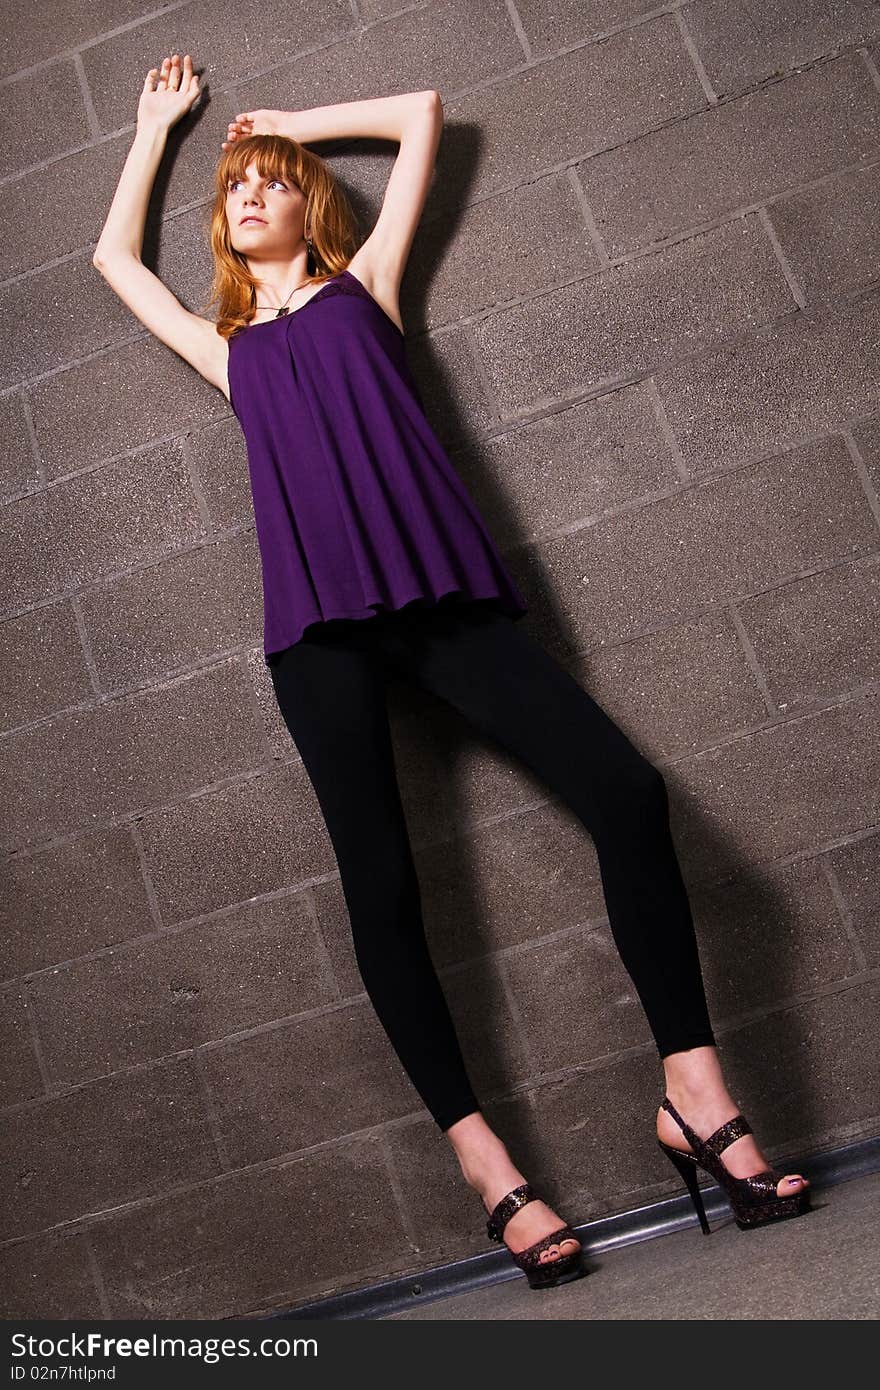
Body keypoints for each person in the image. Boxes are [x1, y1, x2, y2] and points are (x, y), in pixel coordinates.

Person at [92, 54, 812, 1292]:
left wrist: (286, 126)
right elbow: (113, 263)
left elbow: (422, 115)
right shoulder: (226, 351)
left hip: (440, 605)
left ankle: (692, 1090)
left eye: (272, 183)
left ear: (307, 205)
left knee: (628, 794)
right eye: (239, 188)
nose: (252, 194)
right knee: (384, 894)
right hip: (318, 636)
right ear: (220, 226)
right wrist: (159, 133)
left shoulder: (367, 287)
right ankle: (488, 1166)